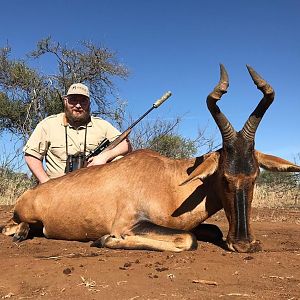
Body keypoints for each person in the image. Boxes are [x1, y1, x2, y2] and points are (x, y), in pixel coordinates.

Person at [23, 83, 131, 184]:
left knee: (119, 159)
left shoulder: (101, 125)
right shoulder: (48, 124)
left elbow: (125, 144)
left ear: (89, 103)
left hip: (93, 188)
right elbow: (31, 155)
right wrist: (46, 184)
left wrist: (105, 157)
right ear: (65, 101)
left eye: (83, 101)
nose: (78, 105)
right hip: (57, 190)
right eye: (73, 100)